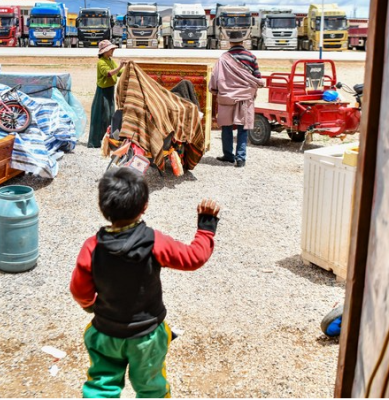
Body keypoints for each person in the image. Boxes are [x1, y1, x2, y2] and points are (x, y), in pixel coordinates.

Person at [70, 168, 221, 398]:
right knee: (152, 389)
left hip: (105, 333)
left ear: (104, 208)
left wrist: (89, 305)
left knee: (100, 387)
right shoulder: (155, 242)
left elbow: (79, 290)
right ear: (144, 206)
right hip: (148, 336)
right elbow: (193, 258)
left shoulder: (92, 247)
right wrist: (206, 228)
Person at [208, 30, 265, 167]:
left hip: (227, 98)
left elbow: (215, 77)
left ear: (230, 42)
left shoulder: (223, 58)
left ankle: (228, 155)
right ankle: (241, 159)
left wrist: (215, 90)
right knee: (243, 127)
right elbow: (257, 77)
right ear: (242, 41)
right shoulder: (251, 57)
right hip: (245, 98)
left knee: (226, 126)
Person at [88, 39, 127, 149]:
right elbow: (109, 74)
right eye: (111, 49)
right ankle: (96, 141)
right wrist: (120, 66)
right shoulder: (101, 63)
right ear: (104, 52)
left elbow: (118, 72)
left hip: (110, 91)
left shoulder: (110, 60)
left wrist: (127, 69)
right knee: (102, 116)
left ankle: (107, 140)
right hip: (102, 93)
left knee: (109, 115)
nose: (112, 51)